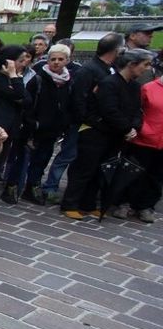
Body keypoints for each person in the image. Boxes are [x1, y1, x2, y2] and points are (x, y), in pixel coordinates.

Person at [59, 49, 153, 221]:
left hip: (115, 136)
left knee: (101, 171)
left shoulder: (134, 86)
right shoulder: (109, 83)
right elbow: (109, 110)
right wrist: (126, 128)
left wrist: (134, 127)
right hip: (96, 133)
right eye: (145, 64)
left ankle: (88, 204)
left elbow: (137, 110)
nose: (147, 69)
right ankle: (70, 203)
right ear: (132, 64)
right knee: (84, 169)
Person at [43, 33, 123, 203]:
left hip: (94, 125)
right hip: (81, 123)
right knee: (66, 155)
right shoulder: (89, 70)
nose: (57, 62)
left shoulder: (109, 68)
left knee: (81, 160)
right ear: (116, 50)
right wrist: (86, 120)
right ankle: (50, 187)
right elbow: (79, 99)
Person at [22, 44, 75, 205]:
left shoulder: (68, 81)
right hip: (37, 127)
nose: (56, 63)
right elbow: (29, 104)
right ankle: (22, 185)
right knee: (28, 158)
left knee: (43, 159)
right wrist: (33, 124)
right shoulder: (38, 79)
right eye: (53, 59)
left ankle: (33, 185)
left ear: (67, 60)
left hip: (53, 129)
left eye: (60, 59)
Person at [0, 46, 31, 204]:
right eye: (20, 60)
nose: (23, 64)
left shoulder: (13, 77)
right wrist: (14, 76)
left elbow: (27, 100)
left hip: (9, 127)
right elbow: (18, 94)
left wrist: (15, 78)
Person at [122, 60, 163, 222]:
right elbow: (137, 111)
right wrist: (142, 129)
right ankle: (125, 202)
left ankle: (146, 206)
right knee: (134, 173)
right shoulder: (149, 88)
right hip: (144, 139)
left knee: (156, 177)